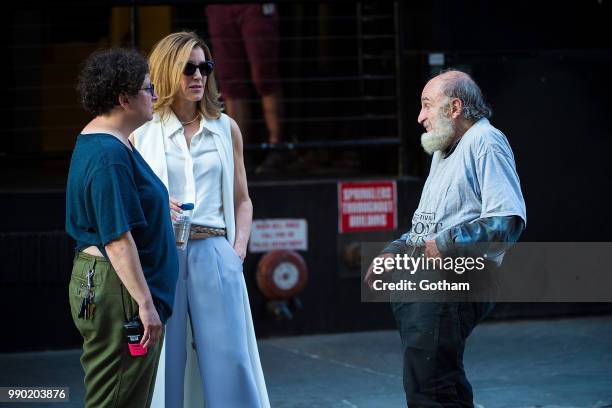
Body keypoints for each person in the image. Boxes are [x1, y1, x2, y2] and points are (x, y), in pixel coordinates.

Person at [365, 70, 526, 406]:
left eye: (427, 105)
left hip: (457, 277)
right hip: (429, 281)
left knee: (432, 389)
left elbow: (506, 222)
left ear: (455, 108)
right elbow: (427, 226)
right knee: (434, 384)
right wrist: (395, 250)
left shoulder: (486, 141)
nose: (420, 116)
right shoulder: (444, 149)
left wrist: (447, 243)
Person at [131, 32, 270, 408]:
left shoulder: (226, 128)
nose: (198, 76)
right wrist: (155, 203)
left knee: (232, 357)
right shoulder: (141, 132)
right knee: (164, 361)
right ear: (165, 71)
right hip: (163, 254)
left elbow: (243, 200)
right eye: (188, 68)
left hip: (215, 251)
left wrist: (237, 250)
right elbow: (127, 199)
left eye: (204, 66)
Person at [65, 48, 179, 407]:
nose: (156, 96)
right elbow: (116, 239)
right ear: (123, 98)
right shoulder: (107, 155)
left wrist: (160, 207)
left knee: (127, 395)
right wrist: (145, 305)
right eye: (149, 89)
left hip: (117, 287)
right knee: (115, 398)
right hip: (120, 291)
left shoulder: (114, 143)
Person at [206, 3, 285, 173]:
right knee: (231, 82)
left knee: (264, 75)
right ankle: (239, 155)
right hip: (220, 9)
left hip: (255, 7)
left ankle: (276, 148)